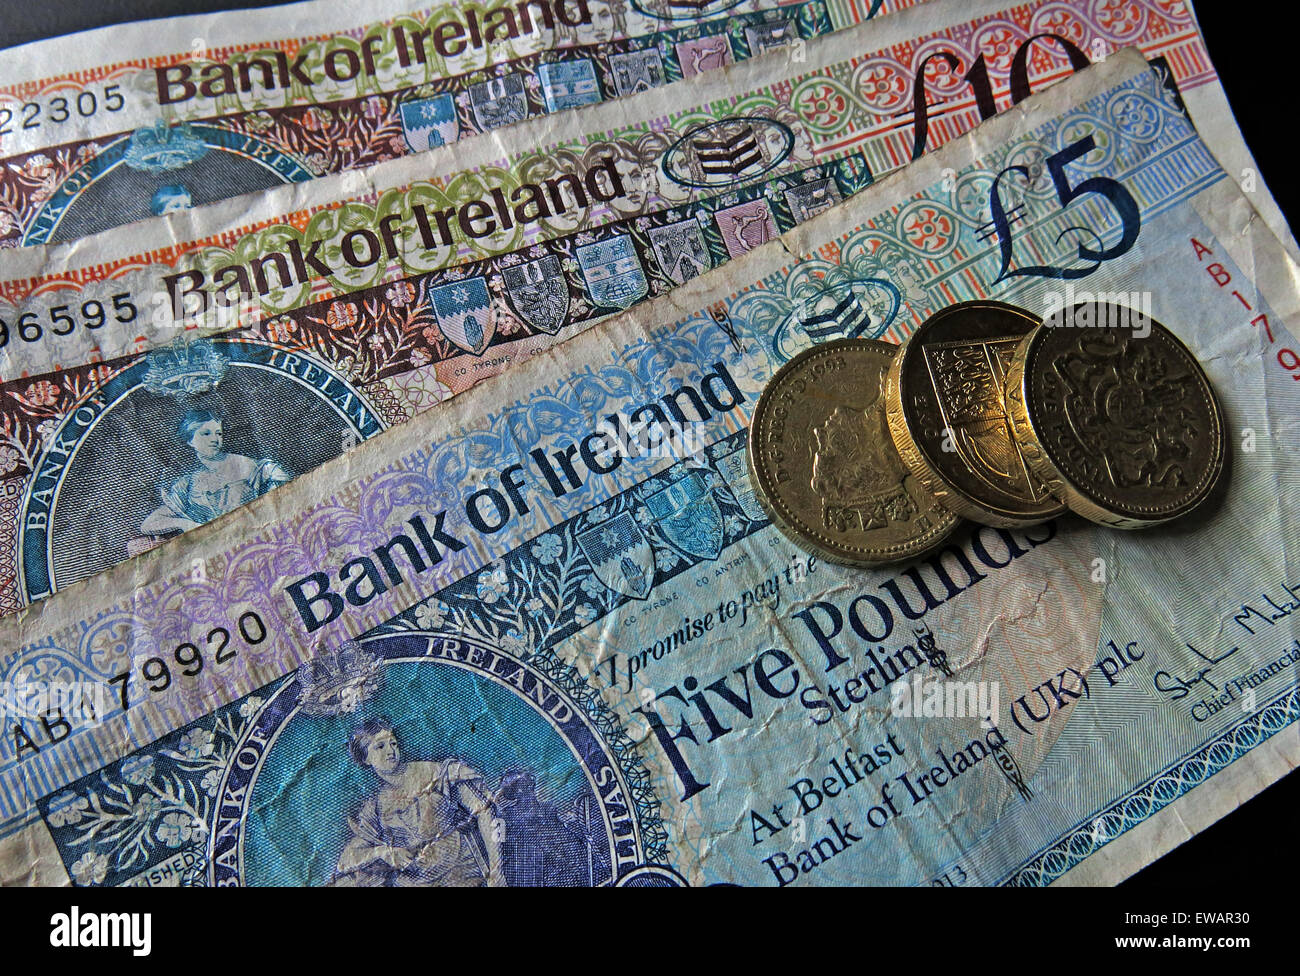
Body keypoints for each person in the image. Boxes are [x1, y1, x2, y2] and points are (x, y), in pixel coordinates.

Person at [333, 718, 504, 886]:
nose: (391, 751)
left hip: (461, 872)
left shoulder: (439, 774)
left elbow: (486, 811)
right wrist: (383, 852)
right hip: (415, 880)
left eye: (393, 743)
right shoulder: (376, 806)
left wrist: (496, 872)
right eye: (380, 746)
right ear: (366, 758)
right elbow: (346, 860)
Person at [139, 409, 291, 536]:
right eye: (205, 434)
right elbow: (148, 524)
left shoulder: (247, 465)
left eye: (218, 433)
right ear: (190, 441)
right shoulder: (187, 484)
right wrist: (184, 523)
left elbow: (285, 495)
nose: (215, 439)